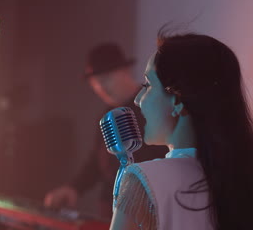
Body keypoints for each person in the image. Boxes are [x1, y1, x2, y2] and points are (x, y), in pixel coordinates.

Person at [109, 30, 253, 230]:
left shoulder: (145, 180)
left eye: (148, 85)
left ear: (178, 100)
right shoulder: (248, 187)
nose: (138, 100)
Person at [44, 43, 167, 219]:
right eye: (96, 82)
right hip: (113, 207)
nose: (102, 87)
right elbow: (97, 160)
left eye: (106, 78)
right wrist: (74, 188)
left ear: (125, 71)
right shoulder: (106, 116)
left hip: (148, 207)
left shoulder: (150, 107)